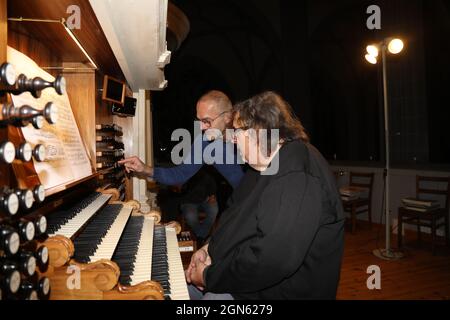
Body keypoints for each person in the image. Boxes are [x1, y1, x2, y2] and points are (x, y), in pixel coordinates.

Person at [186, 91, 345, 300]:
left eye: (237, 133)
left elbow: (273, 260)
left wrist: (208, 277)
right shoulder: (261, 168)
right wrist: (208, 249)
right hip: (243, 278)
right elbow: (234, 215)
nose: (232, 140)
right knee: (180, 287)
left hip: (279, 293)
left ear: (258, 131)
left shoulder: (297, 176)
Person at [118, 90, 244, 189]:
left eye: (207, 121)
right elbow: (180, 175)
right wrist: (145, 169)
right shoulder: (203, 142)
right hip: (245, 196)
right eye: (199, 121)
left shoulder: (251, 130)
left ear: (227, 117)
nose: (200, 127)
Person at [178, 168, 219, 244]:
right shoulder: (183, 170)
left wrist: (212, 195)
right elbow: (177, 187)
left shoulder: (204, 170)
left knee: (214, 210)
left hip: (205, 199)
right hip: (188, 201)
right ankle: (202, 235)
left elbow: (211, 182)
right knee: (190, 216)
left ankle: (200, 235)